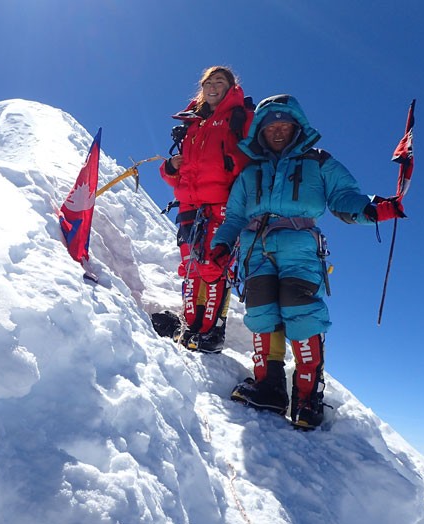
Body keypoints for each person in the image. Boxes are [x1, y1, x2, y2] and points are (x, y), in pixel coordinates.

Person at [209, 94, 405, 429]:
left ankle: (308, 394)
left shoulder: (318, 162)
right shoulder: (249, 173)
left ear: (297, 126)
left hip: (300, 244)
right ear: (261, 130)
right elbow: (234, 217)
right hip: (255, 247)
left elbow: (344, 197)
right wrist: (221, 244)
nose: (278, 130)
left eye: (285, 123)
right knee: (261, 311)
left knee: (301, 310)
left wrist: (373, 208)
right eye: (271, 124)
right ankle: (269, 386)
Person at [158, 66, 254, 353]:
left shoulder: (242, 117)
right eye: (208, 82)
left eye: (219, 81)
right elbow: (183, 171)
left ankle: (211, 332)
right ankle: (191, 326)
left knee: (214, 266)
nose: (213, 86)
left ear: (230, 86)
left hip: (223, 204)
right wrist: (169, 168)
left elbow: (256, 157)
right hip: (189, 205)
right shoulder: (192, 121)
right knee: (191, 269)